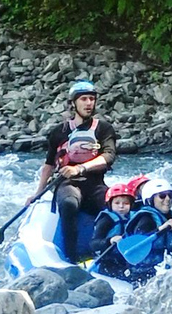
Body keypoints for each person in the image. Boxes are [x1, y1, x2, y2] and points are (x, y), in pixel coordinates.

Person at [26, 80, 117, 263]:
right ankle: (72, 257)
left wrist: (80, 168)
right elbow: (49, 165)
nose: (89, 103)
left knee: (114, 205)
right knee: (69, 204)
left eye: (91, 99)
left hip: (94, 184)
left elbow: (109, 156)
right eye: (84, 99)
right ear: (73, 103)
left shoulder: (103, 129)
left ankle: (109, 253)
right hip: (67, 184)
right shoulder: (59, 132)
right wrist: (37, 193)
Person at [124, 179, 172, 283]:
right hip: (144, 276)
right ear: (150, 199)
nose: (168, 199)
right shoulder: (145, 218)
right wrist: (160, 229)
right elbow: (139, 245)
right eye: (162, 196)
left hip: (169, 271)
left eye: (170, 195)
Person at [89, 183, 134, 279]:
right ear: (110, 204)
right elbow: (93, 244)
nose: (121, 206)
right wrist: (109, 240)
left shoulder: (134, 218)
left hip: (126, 258)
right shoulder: (106, 220)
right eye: (117, 203)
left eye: (126, 203)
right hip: (108, 260)